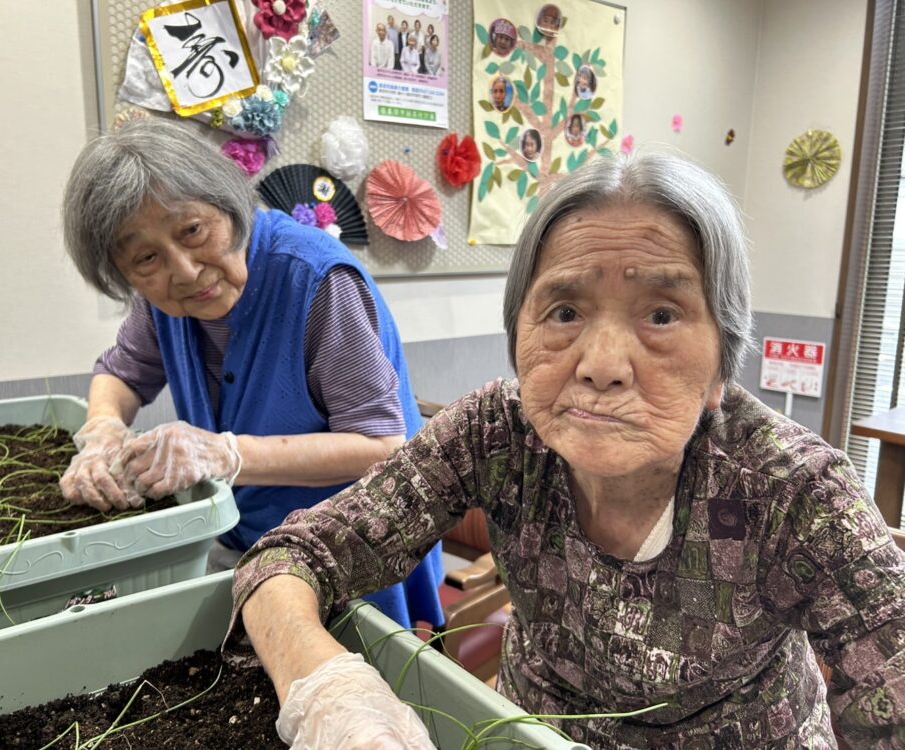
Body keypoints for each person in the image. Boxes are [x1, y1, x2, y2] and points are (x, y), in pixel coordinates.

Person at [225, 152, 905, 748]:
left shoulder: (796, 491)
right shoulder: (497, 432)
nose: (602, 364)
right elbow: (287, 558)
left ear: (722, 362)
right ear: (518, 332)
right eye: (565, 312)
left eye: (661, 315)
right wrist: (327, 691)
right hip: (529, 734)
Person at [59, 117, 445, 633]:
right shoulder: (161, 303)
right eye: (146, 258)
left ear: (229, 204)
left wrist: (225, 454)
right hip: (249, 537)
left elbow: (380, 444)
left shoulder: (315, 278)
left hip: (350, 543)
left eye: (193, 230)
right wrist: (102, 429)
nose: (185, 271)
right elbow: (122, 375)